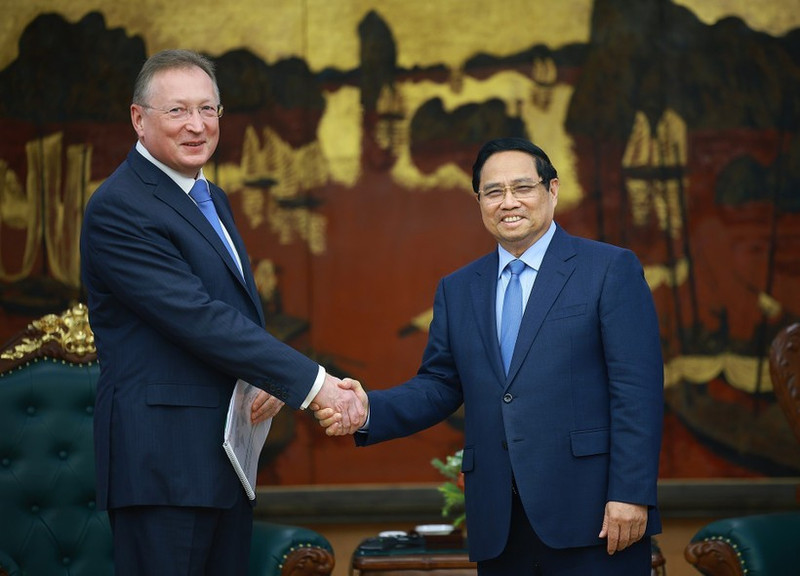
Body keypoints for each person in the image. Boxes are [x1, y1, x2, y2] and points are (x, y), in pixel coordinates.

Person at [317, 137, 664, 575]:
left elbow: (637, 392)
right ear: (479, 200)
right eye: (493, 192)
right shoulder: (459, 288)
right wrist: (368, 410)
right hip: (499, 523)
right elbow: (440, 385)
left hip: (594, 514)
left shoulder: (609, 269)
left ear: (552, 190)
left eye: (523, 187)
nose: (508, 202)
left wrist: (631, 494)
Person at [80, 49, 363, 575]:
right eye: (178, 111)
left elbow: (231, 316)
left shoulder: (209, 197)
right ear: (138, 119)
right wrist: (315, 384)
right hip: (164, 466)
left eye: (208, 110)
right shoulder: (120, 207)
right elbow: (198, 316)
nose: (197, 126)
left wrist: (268, 379)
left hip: (224, 461)